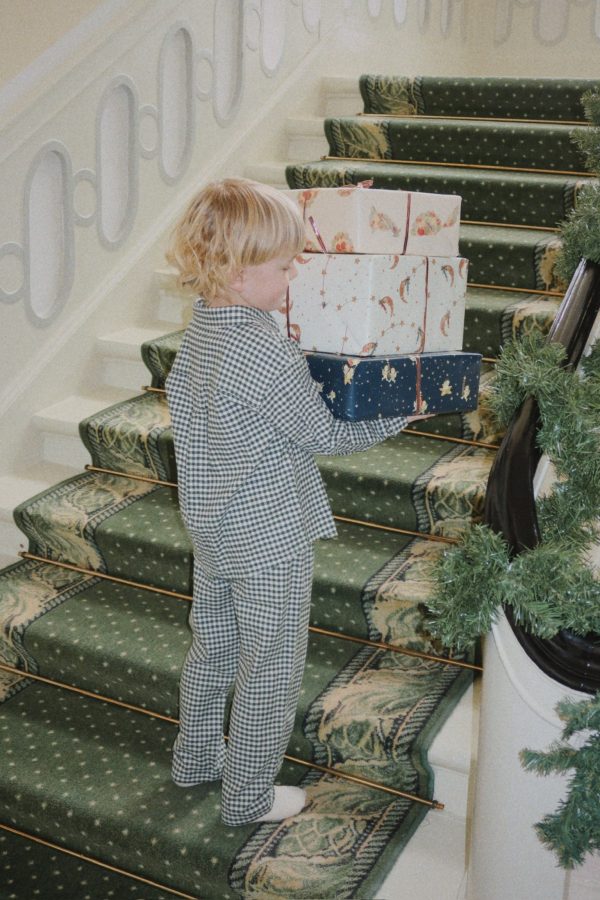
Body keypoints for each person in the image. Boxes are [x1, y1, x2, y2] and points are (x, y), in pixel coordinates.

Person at [165, 177, 427, 827]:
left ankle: (195, 758)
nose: (294, 276)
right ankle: (248, 796)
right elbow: (328, 434)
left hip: (213, 530)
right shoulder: (262, 349)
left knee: (212, 652)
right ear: (238, 271)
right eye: (284, 267)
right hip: (268, 538)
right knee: (270, 670)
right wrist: (402, 409)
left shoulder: (201, 330)